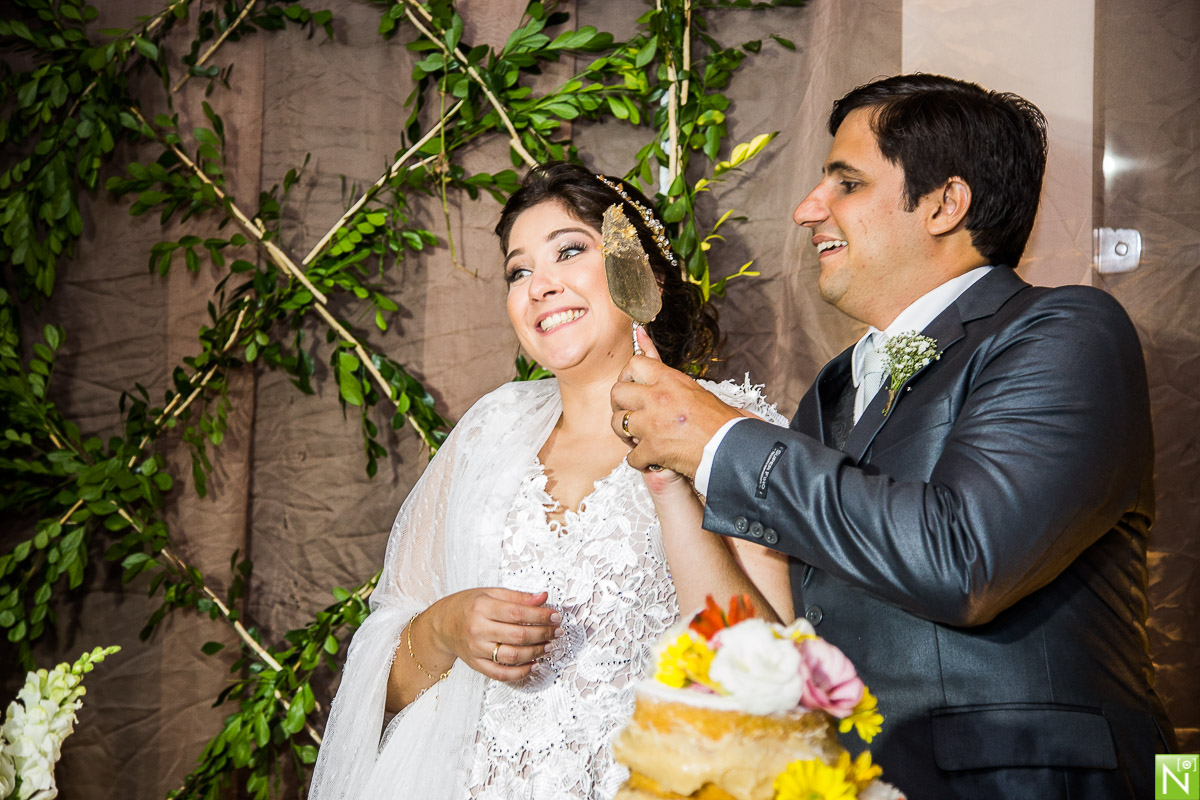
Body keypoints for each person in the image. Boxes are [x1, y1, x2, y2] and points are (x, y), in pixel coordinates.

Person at [610, 73, 1176, 798]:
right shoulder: (839, 383)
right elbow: (795, 628)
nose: (806, 209)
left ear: (945, 202)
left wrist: (721, 435)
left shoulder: (1069, 331)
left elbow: (964, 558)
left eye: (845, 183)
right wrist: (670, 476)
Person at [307, 162, 792, 800]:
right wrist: (446, 627)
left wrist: (671, 480)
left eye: (569, 251)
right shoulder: (489, 432)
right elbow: (384, 691)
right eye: (518, 271)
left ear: (636, 268)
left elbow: (775, 674)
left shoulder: (732, 427)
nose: (540, 286)